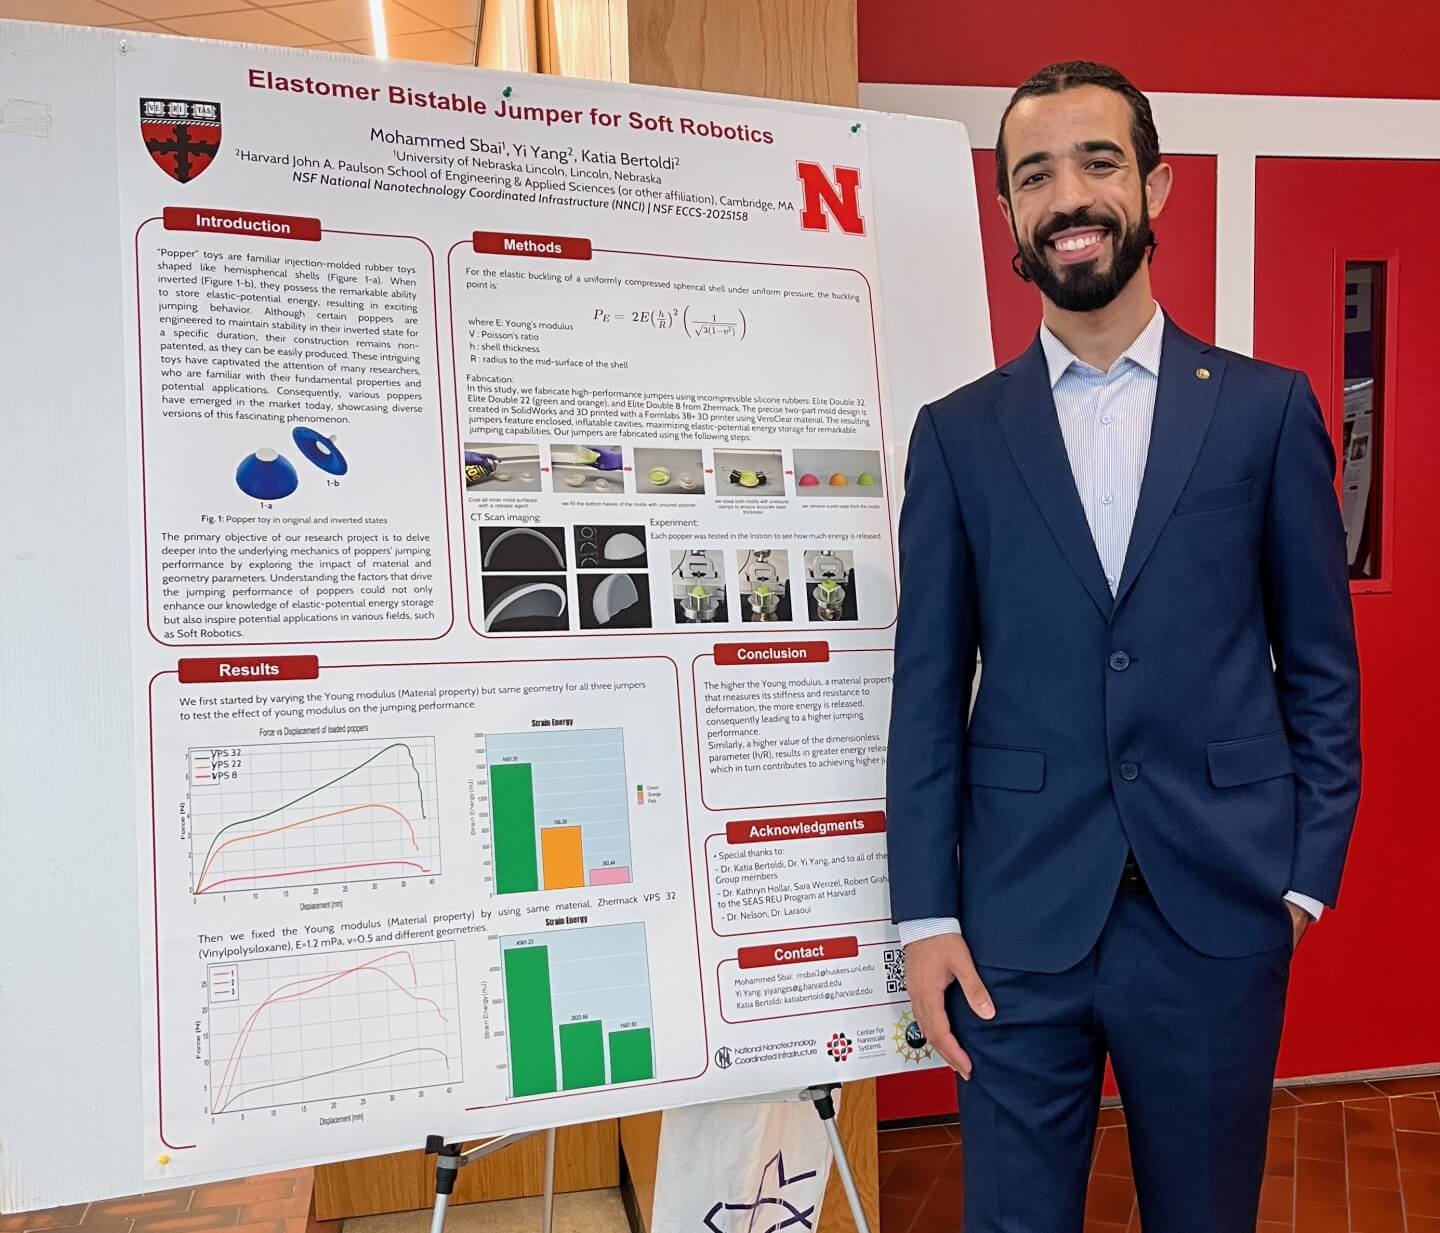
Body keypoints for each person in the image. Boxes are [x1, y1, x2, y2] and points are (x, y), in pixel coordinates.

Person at [885, 60, 1361, 1232]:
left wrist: (1301, 883)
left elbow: (1321, 670)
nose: (1068, 197)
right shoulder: (957, 438)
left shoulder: (1265, 410)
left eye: (1098, 163)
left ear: (1154, 187)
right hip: (1016, 925)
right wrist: (925, 920)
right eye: (1034, 175)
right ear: (1009, 215)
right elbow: (928, 692)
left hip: (1215, 912)